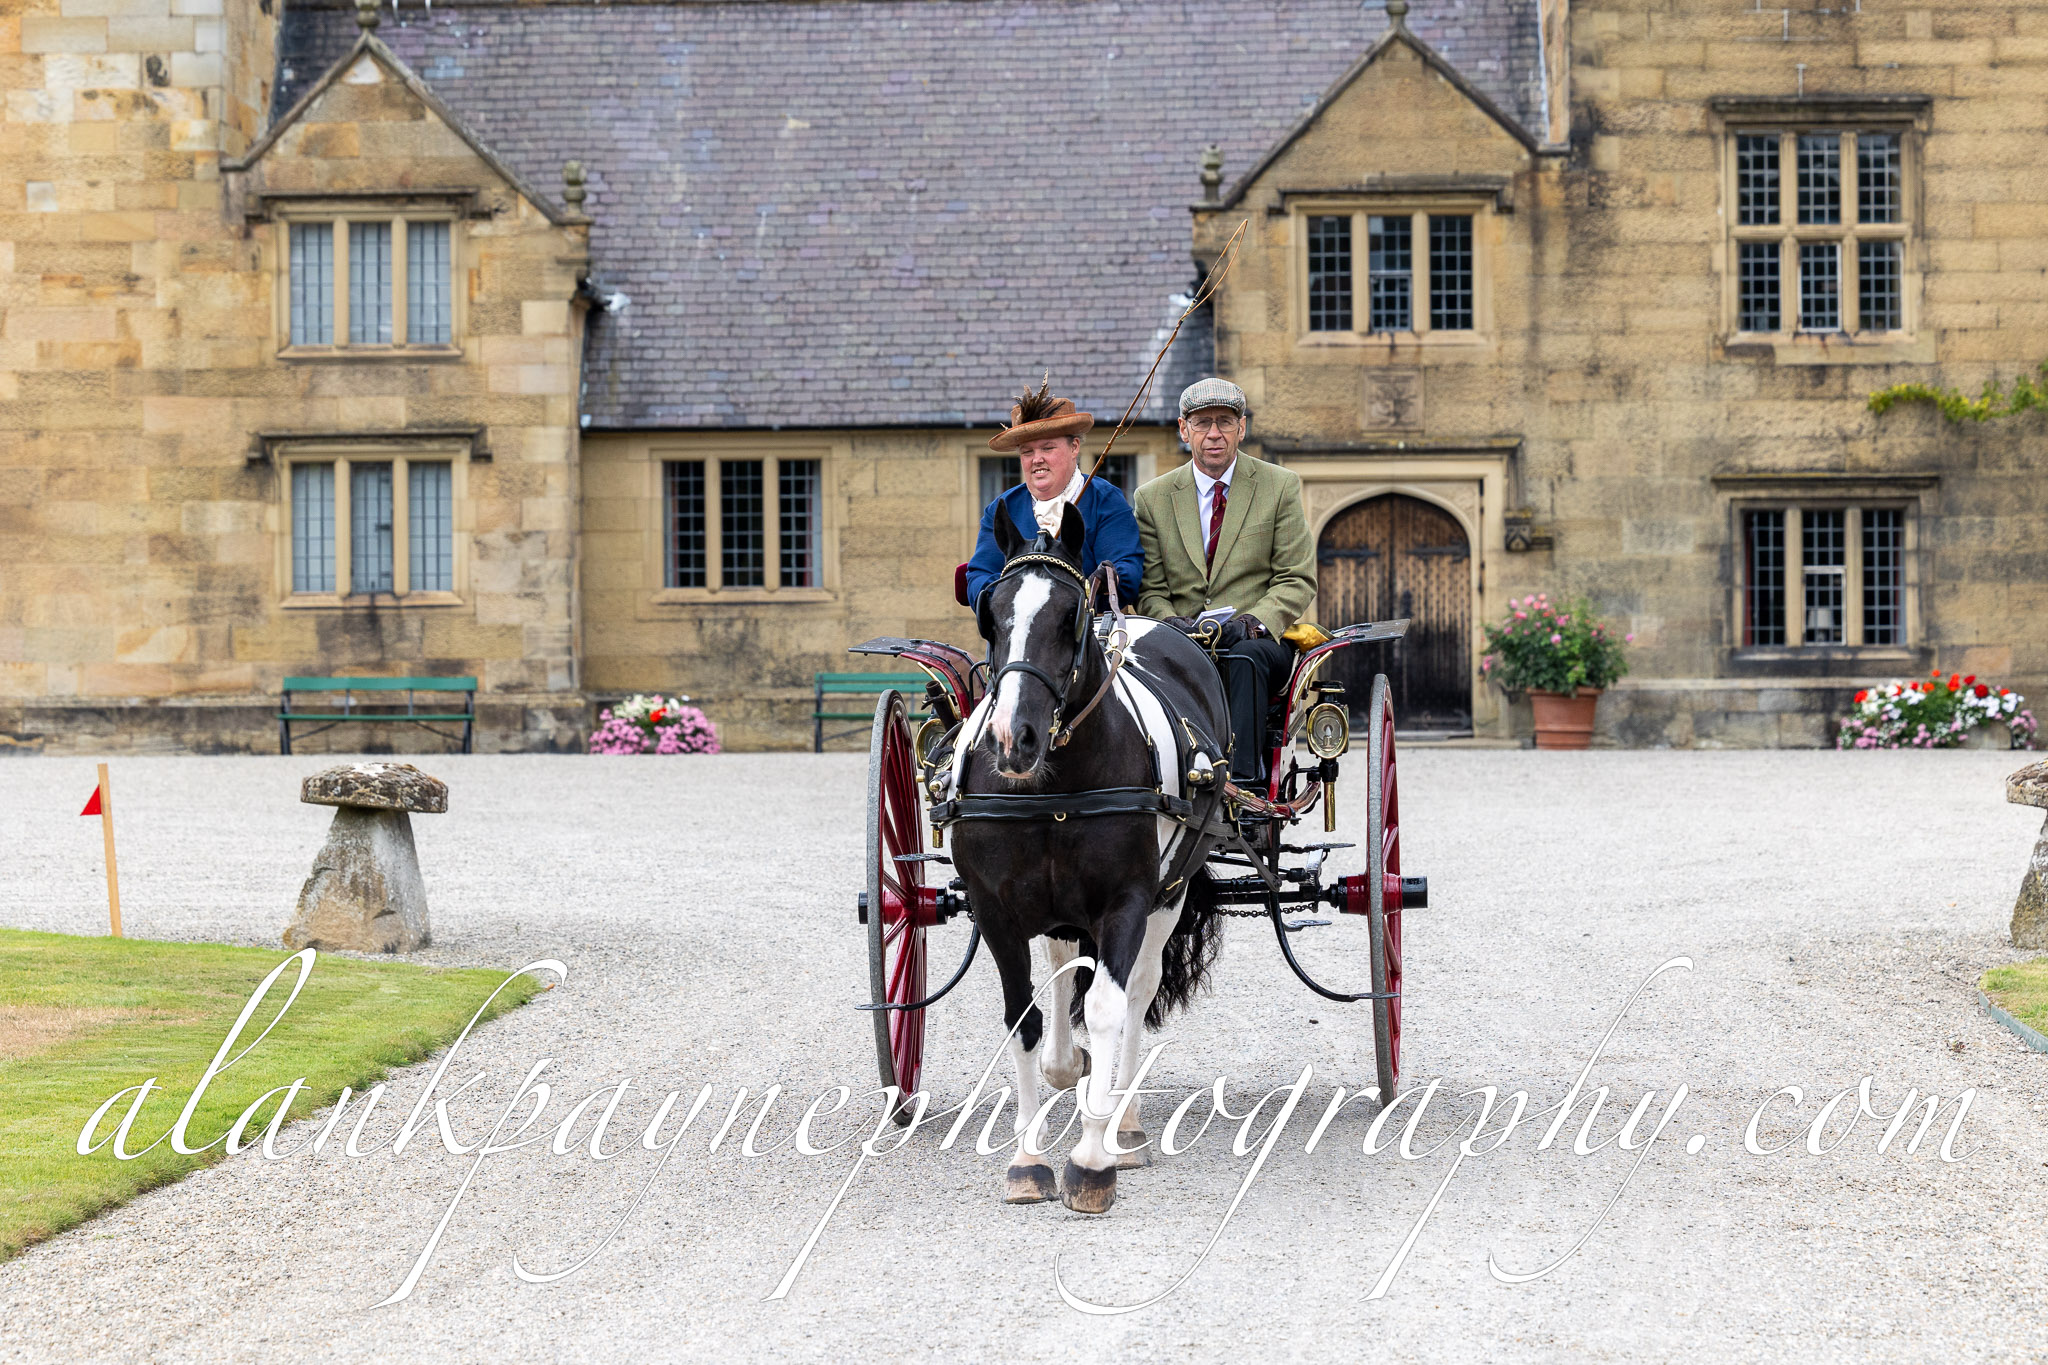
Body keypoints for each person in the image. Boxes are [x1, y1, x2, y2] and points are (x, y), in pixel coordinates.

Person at [1133, 377, 1316, 784]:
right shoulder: (1152, 498)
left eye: (1225, 422)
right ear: (1184, 430)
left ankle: (1241, 785)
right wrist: (1172, 624)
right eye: (1202, 423)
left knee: (1243, 657)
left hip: (1257, 643)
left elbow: (1296, 578)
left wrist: (1251, 623)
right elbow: (1151, 590)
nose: (1214, 433)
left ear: (1242, 427)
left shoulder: (1279, 486)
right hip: (1181, 640)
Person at [963, 378, 1143, 615]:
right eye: (1027, 452)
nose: (1037, 459)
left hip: (1091, 632)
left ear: (1074, 447)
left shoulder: (1106, 500)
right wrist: (1009, 598)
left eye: (1047, 448)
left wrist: (1102, 581)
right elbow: (979, 575)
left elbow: (1127, 574)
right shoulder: (1003, 508)